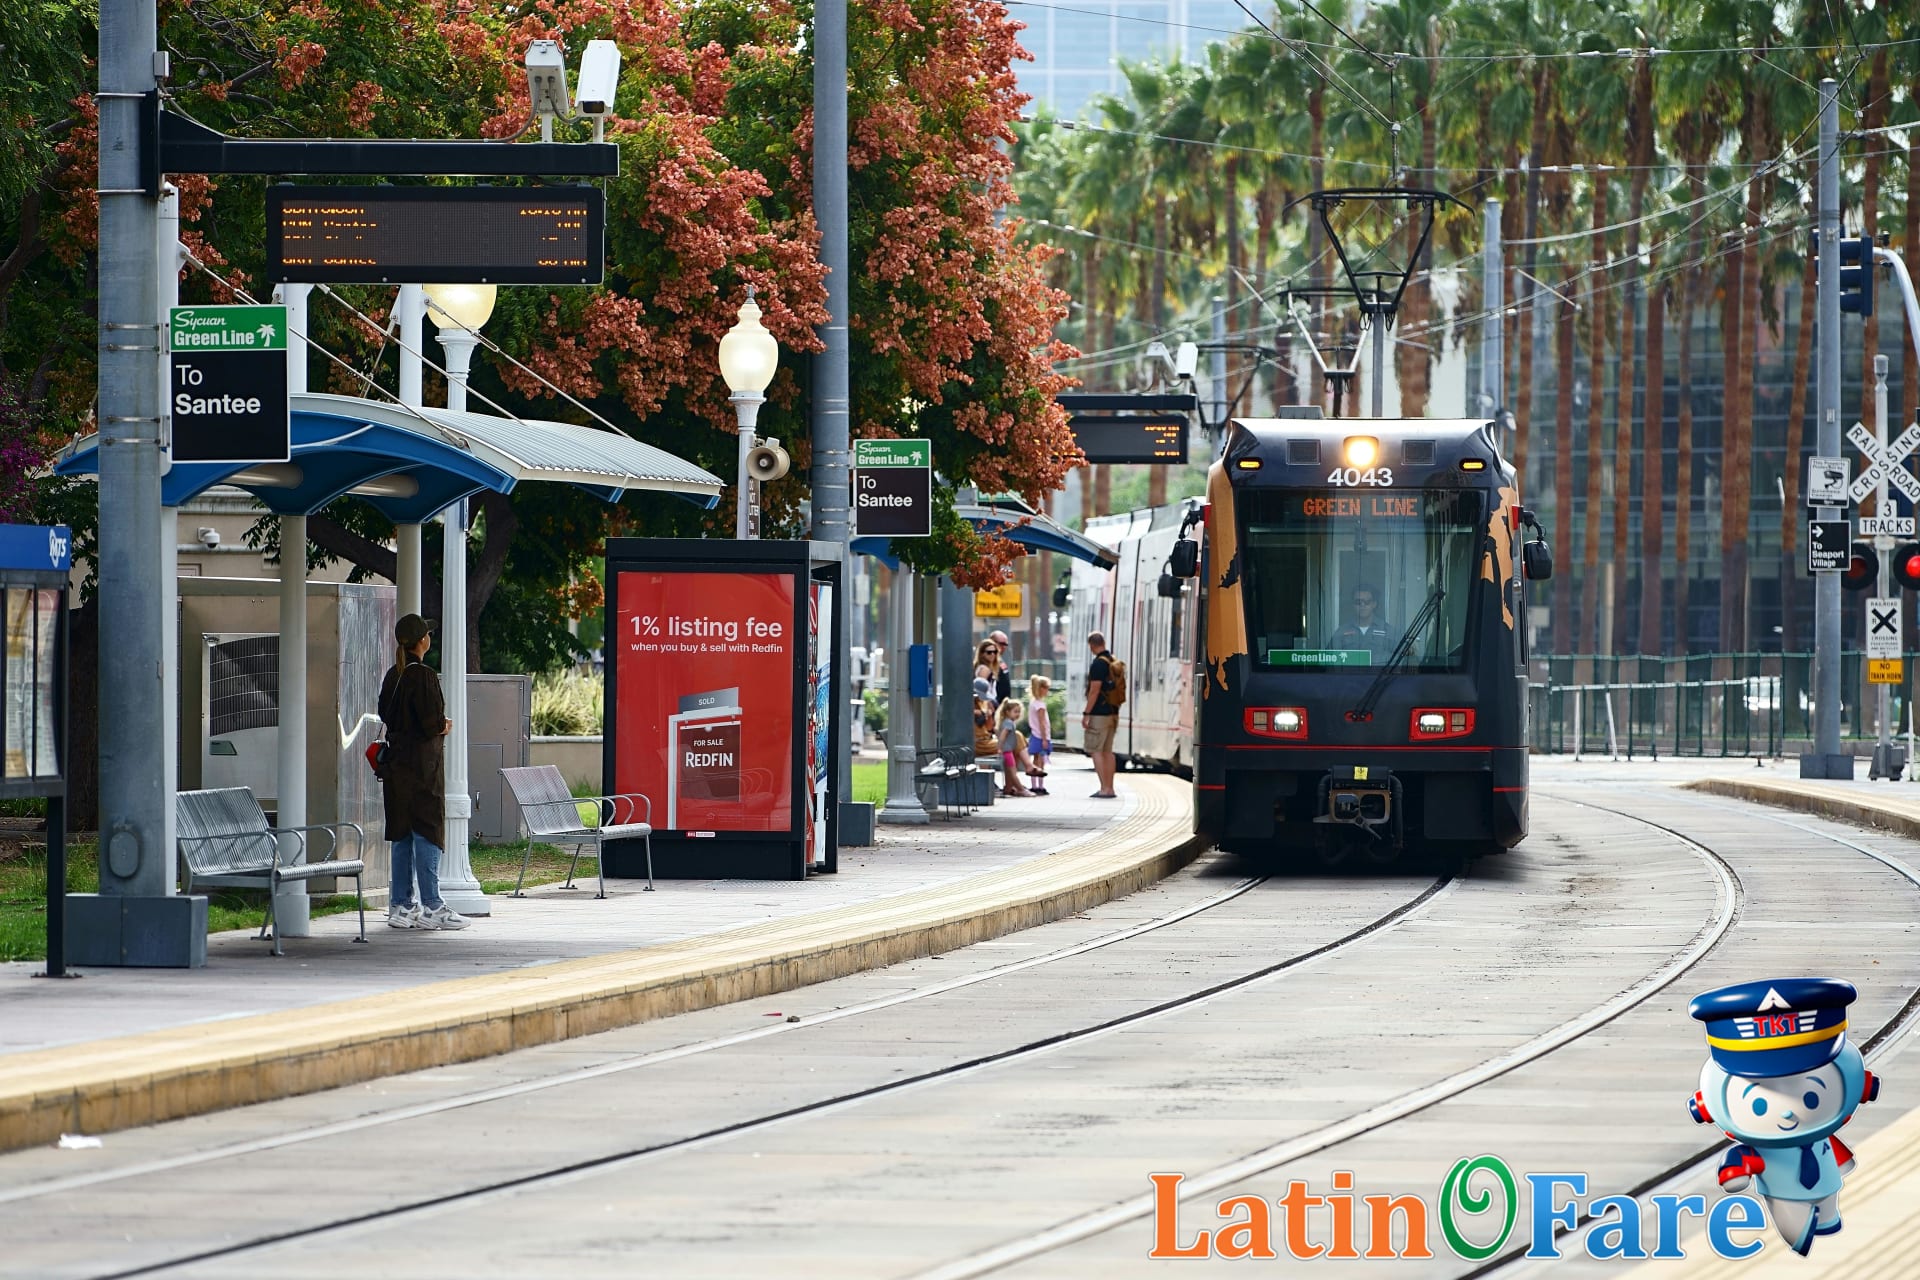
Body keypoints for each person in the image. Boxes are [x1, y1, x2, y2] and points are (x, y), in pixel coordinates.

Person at [377, 614, 471, 931]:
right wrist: (444, 727)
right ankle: (433, 904)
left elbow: (385, 714)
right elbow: (432, 722)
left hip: (395, 770)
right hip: (423, 770)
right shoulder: (425, 676)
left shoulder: (394, 675)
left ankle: (400, 906)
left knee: (402, 835)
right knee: (428, 831)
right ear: (422, 641)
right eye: (428, 633)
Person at [1082, 631, 1119, 798]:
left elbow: (1094, 691)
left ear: (1092, 645)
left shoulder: (1098, 664)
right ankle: (1110, 787)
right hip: (1113, 712)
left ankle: (1104, 788)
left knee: (1096, 750)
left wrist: (1086, 713)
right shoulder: (1113, 661)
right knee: (1107, 751)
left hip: (1099, 714)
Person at [1327, 582, 1398, 660]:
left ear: (1374, 604)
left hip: (1378, 672)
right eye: (1358, 602)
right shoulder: (1342, 631)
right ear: (1353, 605)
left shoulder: (1387, 631)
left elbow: (1401, 657)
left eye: (1367, 602)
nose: (1362, 605)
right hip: (1350, 672)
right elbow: (1329, 659)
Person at [995, 699, 1035, 797]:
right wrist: (999, 747)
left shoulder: (1005, 721)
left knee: (1009, 773)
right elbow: (1003, 735)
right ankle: (1021, 789)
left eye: (1019, 711)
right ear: (1007, 712)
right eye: (1015, 711)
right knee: (1013, 772)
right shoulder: (1009, 723)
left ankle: (1008, 789)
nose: (1018, 714)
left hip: (1007, 751)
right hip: (1007, 752)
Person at [1026, 675, 1053, 795]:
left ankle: (1034, 785)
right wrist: (1044, 738)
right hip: (1041, 736)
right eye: (1046, 687)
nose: (1048, 690)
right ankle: (1040, 786)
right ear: (1040, 688)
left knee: (1035, 760)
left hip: (1034, 734)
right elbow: (1042, 723)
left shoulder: (1034, 703)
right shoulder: (1040, 705)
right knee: (1041, 761)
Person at [972, 676, 999, 758]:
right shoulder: (968, 703)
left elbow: (989, 728)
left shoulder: (984, 703)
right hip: (977, 743)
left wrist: (989, 716)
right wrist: (976, 713)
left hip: (986, 739)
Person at [990, 629, 1015, 703]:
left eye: (1005, 644)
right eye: (1001, 644)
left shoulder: (1000, 661)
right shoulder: (987, 663)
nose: (1004, 647)